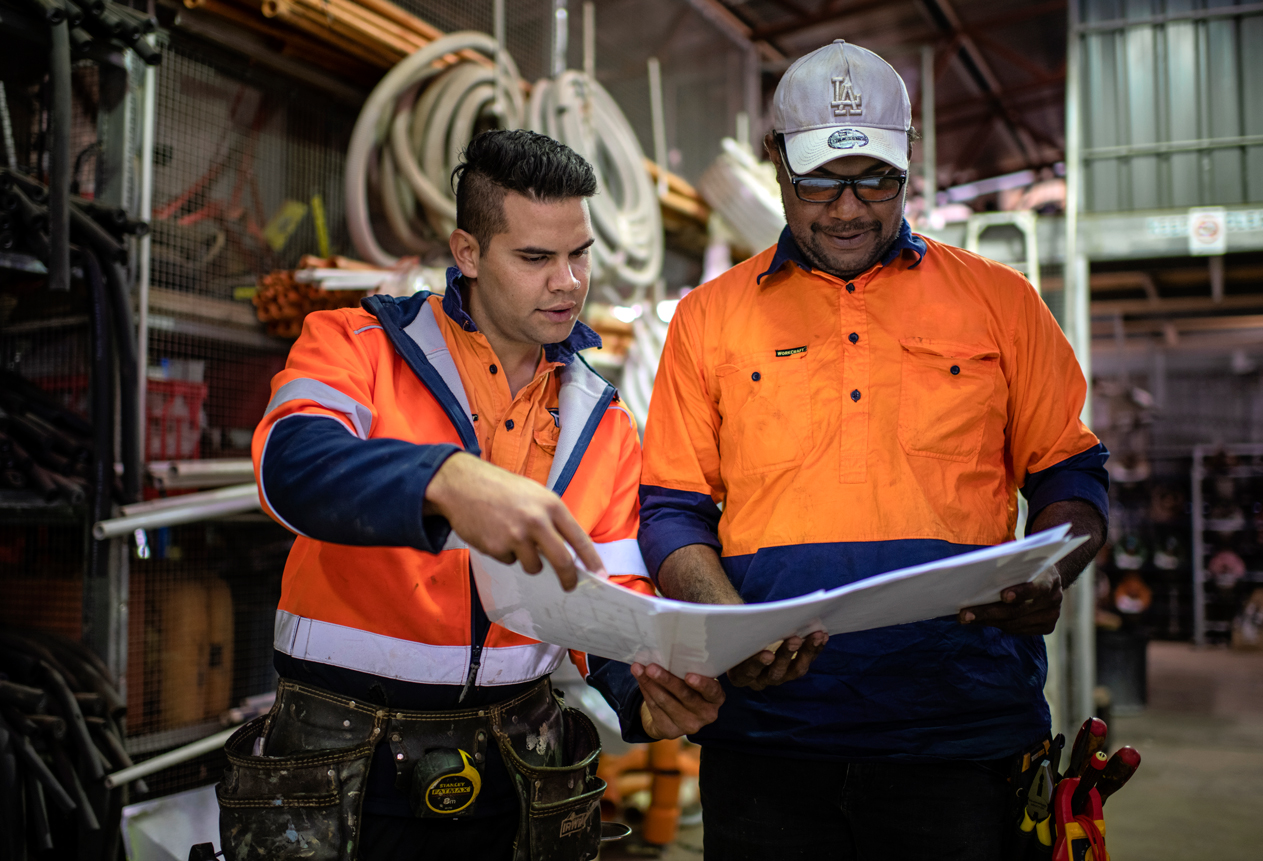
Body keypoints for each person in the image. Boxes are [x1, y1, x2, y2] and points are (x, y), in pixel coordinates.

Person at [632, 40, 1109, 859]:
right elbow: (673, 510)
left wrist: (1048, 568)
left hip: (961, 740)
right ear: (776, 163)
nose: (848, 209)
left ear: (909, 163)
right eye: (819, 181)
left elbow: (1072, 477)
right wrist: (728, 621)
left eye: (875, 179)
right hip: (769, 744)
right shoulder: (707, 320)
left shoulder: (1001, 303)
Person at [227, 130, 722, 861]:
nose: (568, 281)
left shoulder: (601, 416)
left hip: (523, 766)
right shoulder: (356, 345)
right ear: (467, 253)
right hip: (337, 759)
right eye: (534, 258)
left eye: (578, 253)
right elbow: (290, 467)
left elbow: (607, 588)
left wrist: (645, 697)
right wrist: (442, 478)